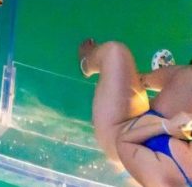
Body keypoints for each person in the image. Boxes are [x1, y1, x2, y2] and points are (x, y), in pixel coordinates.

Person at [79, 39, 192, 186]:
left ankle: (87, 64)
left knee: (114, 52)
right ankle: (143, 79)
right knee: (189, 76)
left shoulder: (163, 182)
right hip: (165, 125)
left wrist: (166, 126)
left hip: (121, 129)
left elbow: (124, 142)